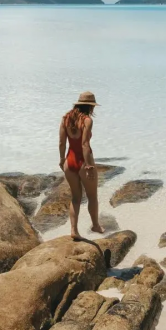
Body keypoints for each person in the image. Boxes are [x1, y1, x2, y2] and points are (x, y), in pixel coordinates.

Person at [59, 91, 105, 239]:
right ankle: (96, 225)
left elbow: (61, 142)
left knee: (75, 198)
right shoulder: (87, 121)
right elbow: (85, 145)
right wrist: (89, 165)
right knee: (92, 197)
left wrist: (61, 159)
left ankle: (74, 230)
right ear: (90, 107)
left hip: (69, 161)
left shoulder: (65, 118)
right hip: (83, 161)